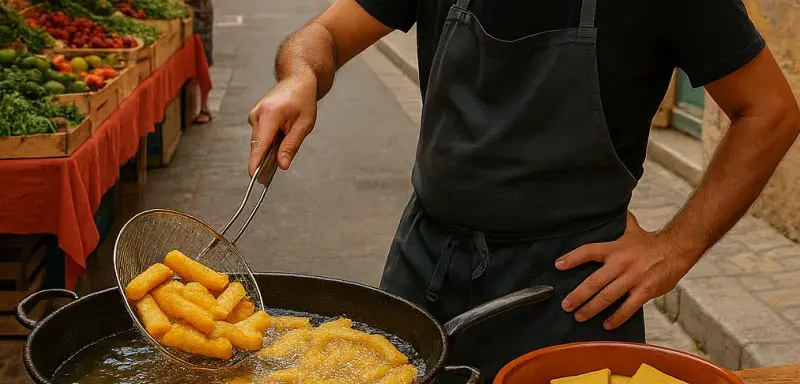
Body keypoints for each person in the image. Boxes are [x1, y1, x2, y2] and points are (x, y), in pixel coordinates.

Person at [247, 0, 800, 381]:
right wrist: (300, 77)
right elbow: (324, 34)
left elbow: (769, 111)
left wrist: (677, 247)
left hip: (569, 296)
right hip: (424, 270)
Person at [188, 0, 213, 124]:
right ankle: (193, 109)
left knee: (201, 58)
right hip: (188, 9)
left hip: (199, 10)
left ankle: (204, 108)